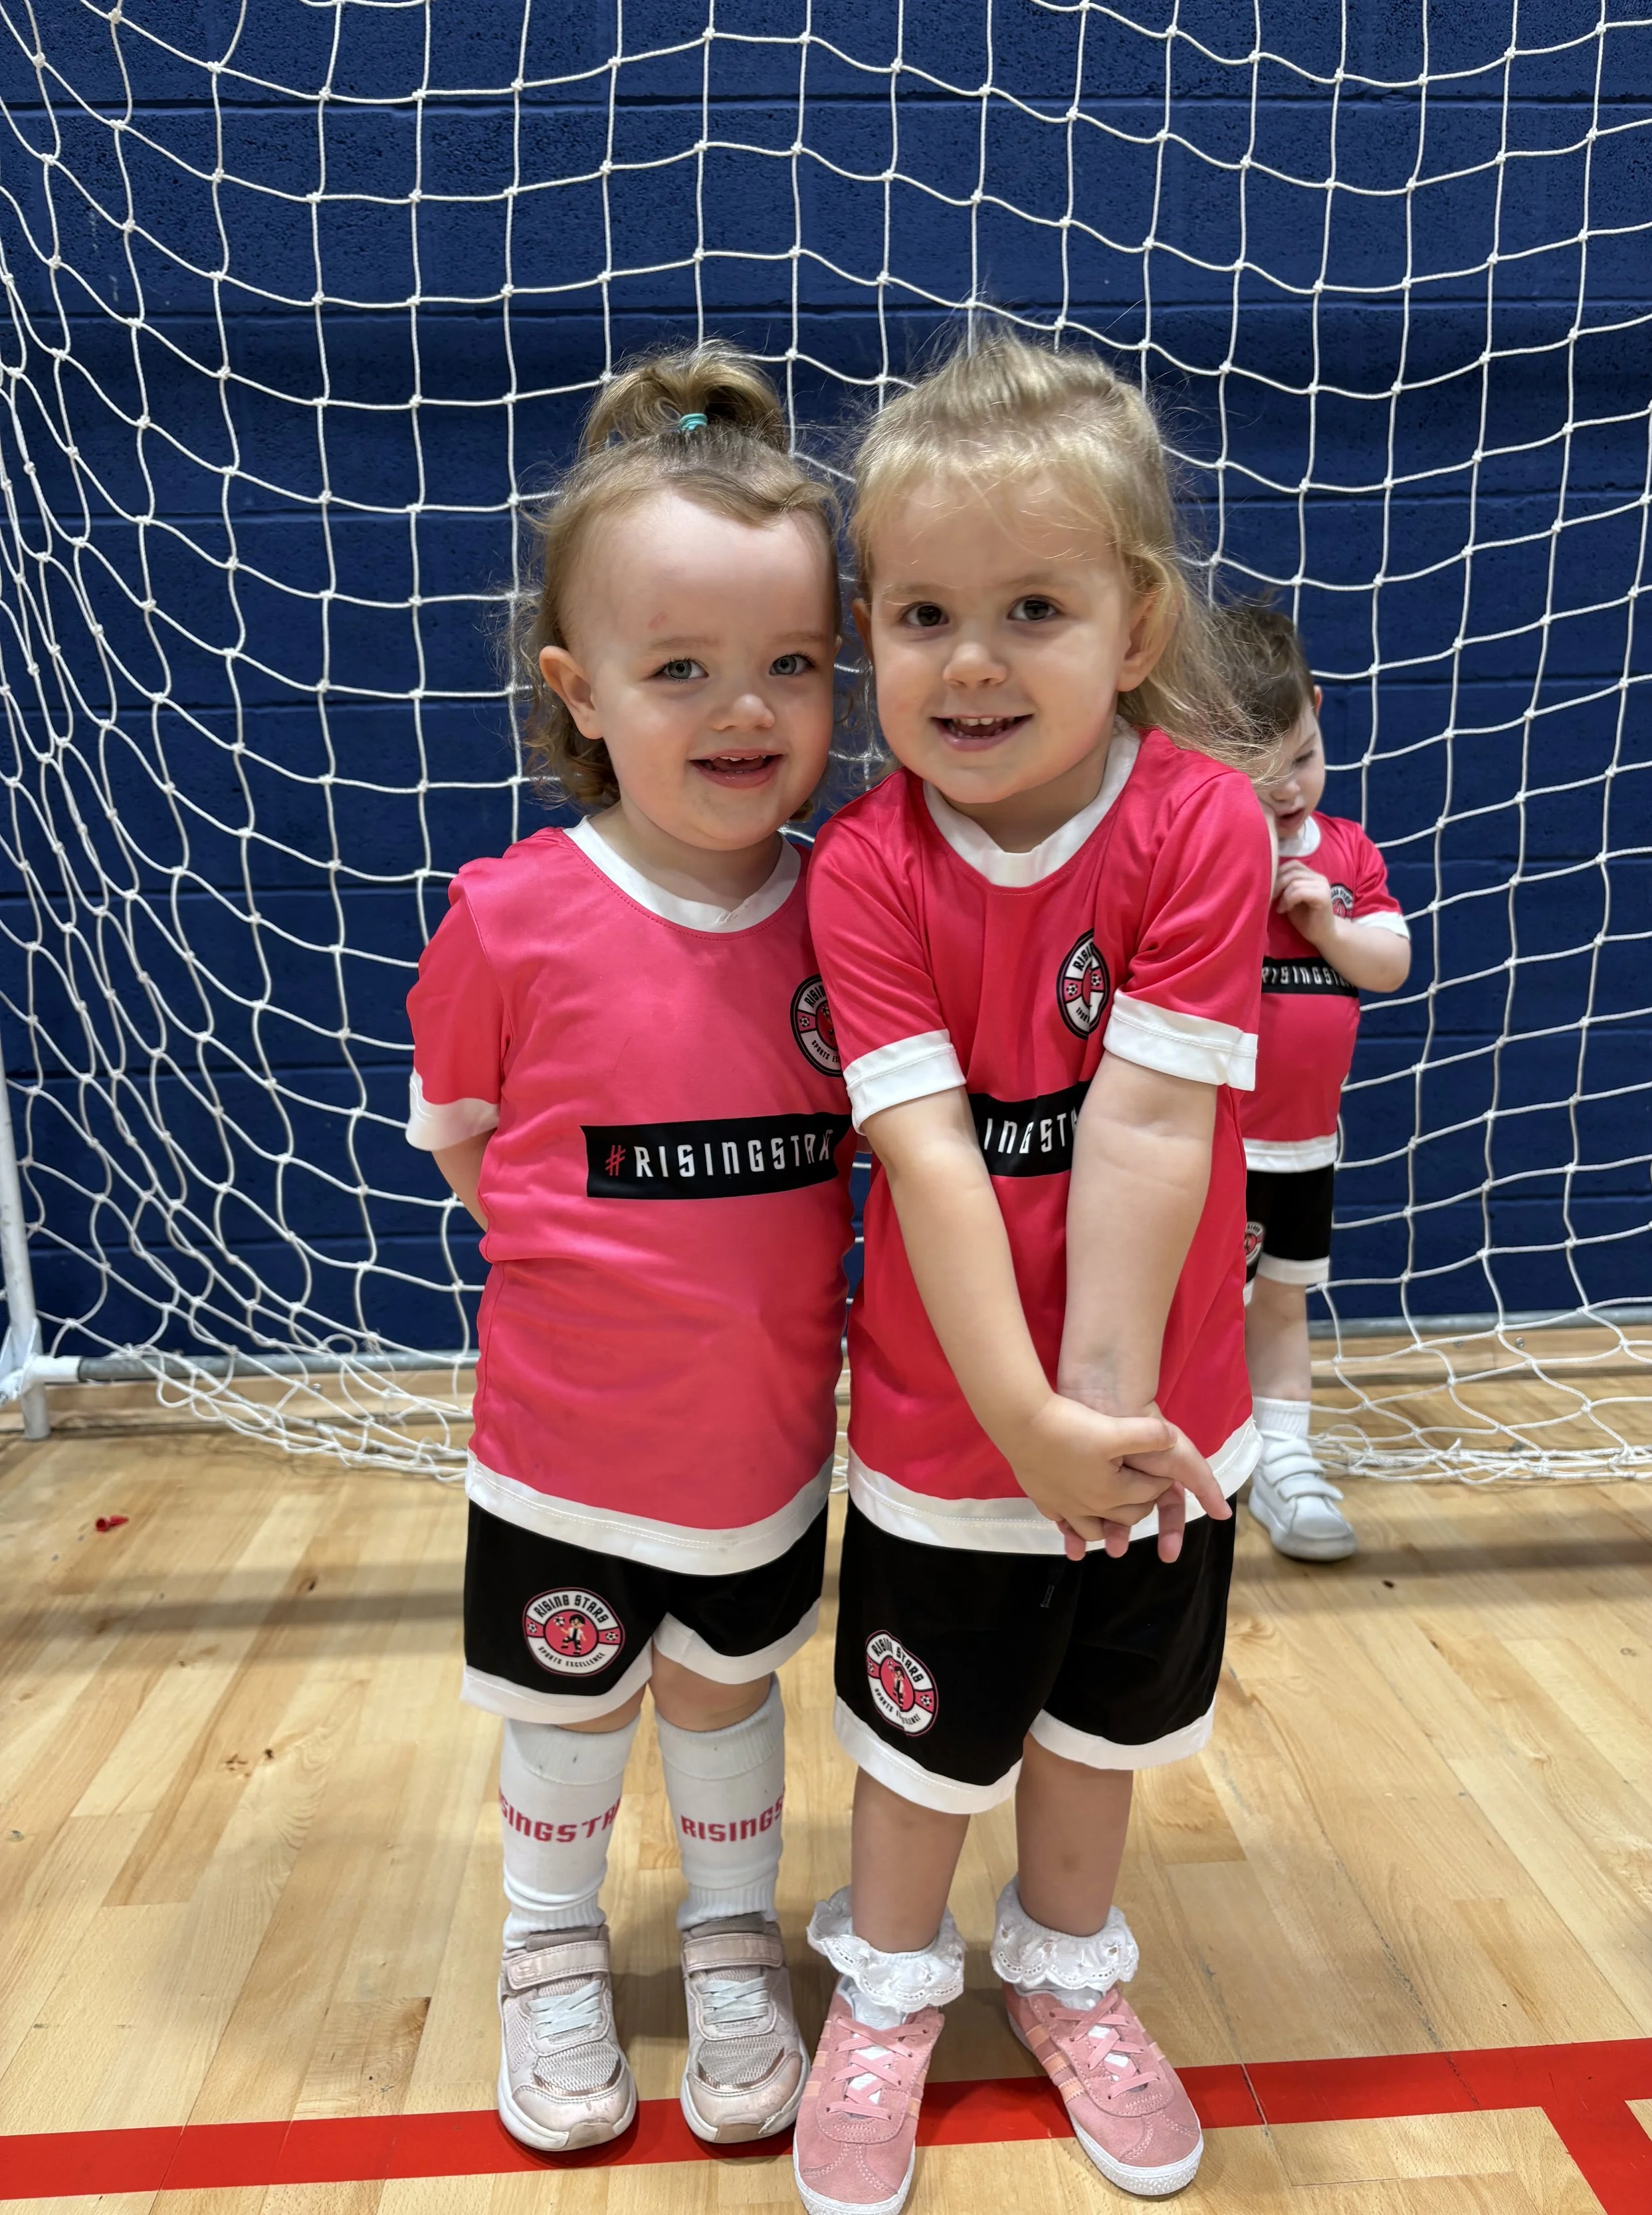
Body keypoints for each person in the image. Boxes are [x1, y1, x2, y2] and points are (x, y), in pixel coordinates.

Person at [792, 332, 1273, 2213]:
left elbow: (1148, 1130)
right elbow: (921, 1154)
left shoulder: (1201, 827)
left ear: (1134, 624)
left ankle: (1064, 1972)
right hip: (945, 1422)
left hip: (1153, 1419)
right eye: (920, 614)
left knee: (1098, 1733)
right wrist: (1018, 1423)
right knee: (925, 1745)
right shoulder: (863, 867)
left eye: (1030, 607)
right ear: (863, 631)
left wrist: (1099, 1428)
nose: (970, 659)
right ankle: (889, 1995)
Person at [405, 347, 854, 2154]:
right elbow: (464, 1144)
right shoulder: (510, 919)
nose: (742, 708)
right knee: (568, 1704)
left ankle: (733, 1933)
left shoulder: (851, 901)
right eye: (680, 669)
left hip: (757, 1439)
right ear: (578, 689)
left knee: (727, 1684)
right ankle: (547, 1946)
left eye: (791, 665)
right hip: (564, 1447)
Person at [1217, 604, 1412, 1562]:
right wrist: (1237, 875)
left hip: (1299, 1144)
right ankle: (1191, 1452)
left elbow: (1390, 964)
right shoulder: (1200, 854)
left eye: (1301, 755)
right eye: (1258, 775)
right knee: (1184, 1304)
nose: (1288, 789)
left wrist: (1329, 930)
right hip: (1201, 1145)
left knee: (1281, 1301)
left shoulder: (1348, 851)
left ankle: (1287, 1462)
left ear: (1318, 712)